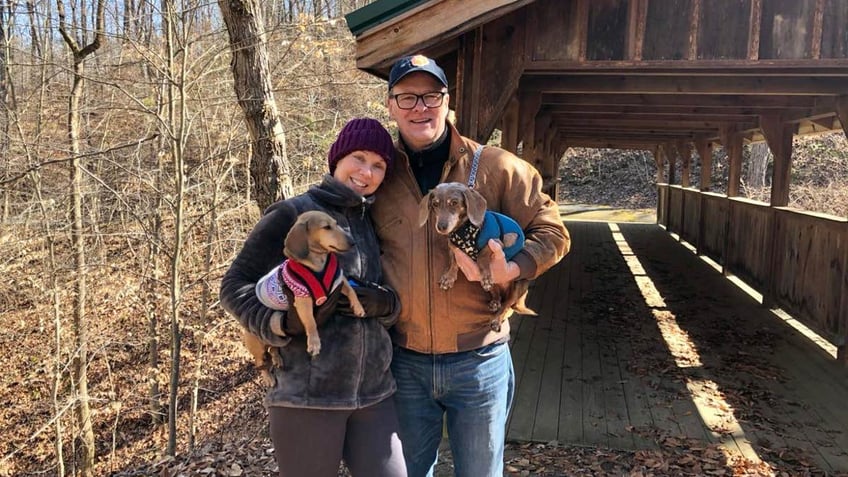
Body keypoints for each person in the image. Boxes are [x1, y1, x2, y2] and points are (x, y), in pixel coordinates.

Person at [371, 54, 571, 477]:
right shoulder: (376, 175)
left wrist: (512, 270)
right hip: (403, 360)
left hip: (479, 359)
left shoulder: (498, 167)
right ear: (390, 105)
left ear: (448, 103)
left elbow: (554, 233)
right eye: (407, 97)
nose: (419, 107)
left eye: (431, 96)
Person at [219, 118, 407, 477]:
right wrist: (279, 323)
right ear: (336, 158)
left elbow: (391, 293)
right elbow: (234, 286)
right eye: (359, 157)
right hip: (308, 397)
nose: (366, 172)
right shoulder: (293, 213)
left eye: (379, 165)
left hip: (375, 395)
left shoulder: (374, 220)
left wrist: (385, 304)